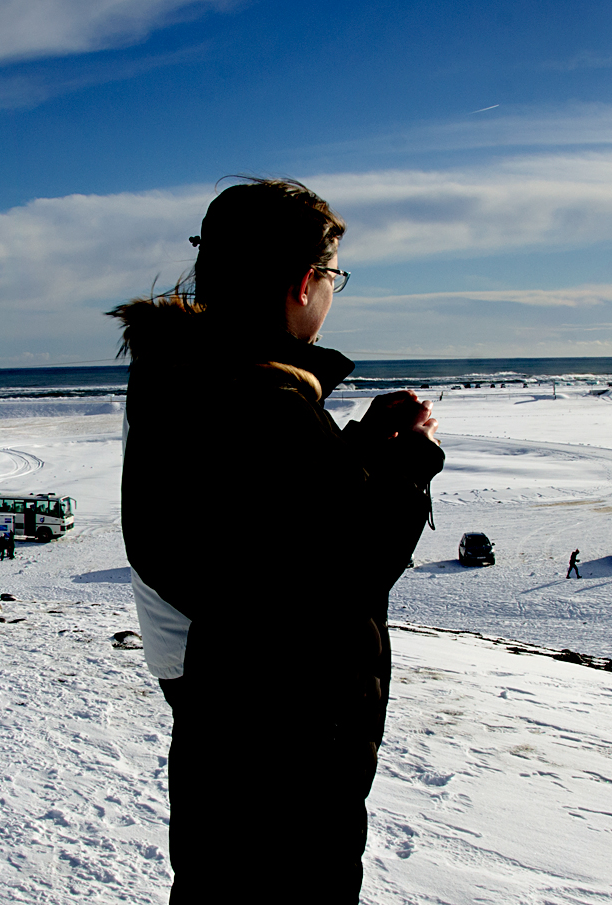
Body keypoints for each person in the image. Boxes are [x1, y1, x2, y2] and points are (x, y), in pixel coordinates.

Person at [118, 178, 438, 895]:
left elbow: (271, 524)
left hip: (229, 730)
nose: (332, 291)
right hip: (286, 747)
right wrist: (409, 464)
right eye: (333, 275)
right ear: (303, 283)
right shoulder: (262, 404)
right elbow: (344, 569)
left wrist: (355, 444)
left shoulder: (193, 380)